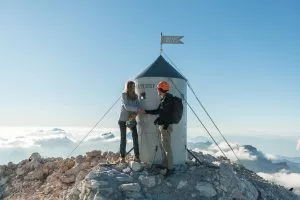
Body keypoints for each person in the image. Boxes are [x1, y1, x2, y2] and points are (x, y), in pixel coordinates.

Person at [144, 81, 174, 175]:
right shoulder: (164, 99)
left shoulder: (167, 101)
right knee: (163, 146)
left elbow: (166, 116)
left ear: (161, 89)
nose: (157, 90)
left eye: (158, 89)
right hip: (163, 126)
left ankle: (170, 168)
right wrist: (145, 111)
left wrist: (160, 121)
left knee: (167, 147)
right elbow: (159, 111)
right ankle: (165, 165)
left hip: (165, 127)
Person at [118, 80, 143, 163]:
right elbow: (126, 106)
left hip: (132, 119)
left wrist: (135, 113)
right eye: (131, 86)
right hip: (123, 120)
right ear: (128, 87)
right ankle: (122, 157)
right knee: (123, 138)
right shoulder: (124, 95)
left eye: (134, 86)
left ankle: (137, 156)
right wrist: (137, 110)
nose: (133, 88)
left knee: (135, 137)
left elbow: (138, 105)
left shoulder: (136, 96)